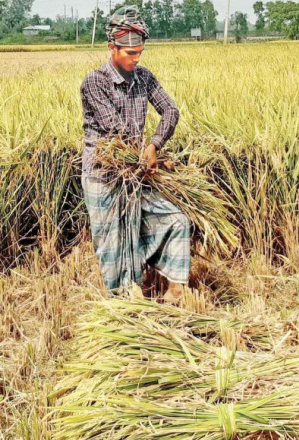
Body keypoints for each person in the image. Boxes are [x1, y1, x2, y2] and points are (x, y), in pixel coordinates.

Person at [80, 6, 189, 302]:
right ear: (111, 48)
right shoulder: (95, 83)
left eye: (140, 52)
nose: (136, 58)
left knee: (176, 220)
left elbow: (170, 110)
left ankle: (174, 289)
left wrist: (154, 146)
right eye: (130, 53)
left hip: (136, 173)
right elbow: (116, 131)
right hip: (104, 178)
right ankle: (124, 305)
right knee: (113, 245)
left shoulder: (144, 78)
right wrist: (146, 155)